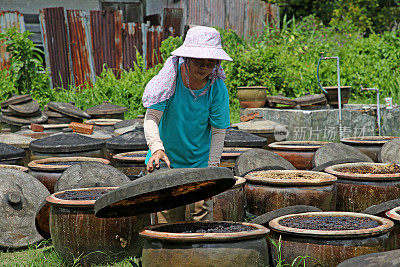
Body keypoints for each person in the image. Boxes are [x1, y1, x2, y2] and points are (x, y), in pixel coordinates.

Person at [142, 26, 233, 223]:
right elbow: (151, 119)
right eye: (199, 61)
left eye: (211, 63)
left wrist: (212, 170)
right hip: (166, 161)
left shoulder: (217, 89)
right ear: (187, 58)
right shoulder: (168, 81)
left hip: (200, 163)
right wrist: (156, 148)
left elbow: (218, 132)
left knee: (201, 219)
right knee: (168, 220)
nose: (204, 67)